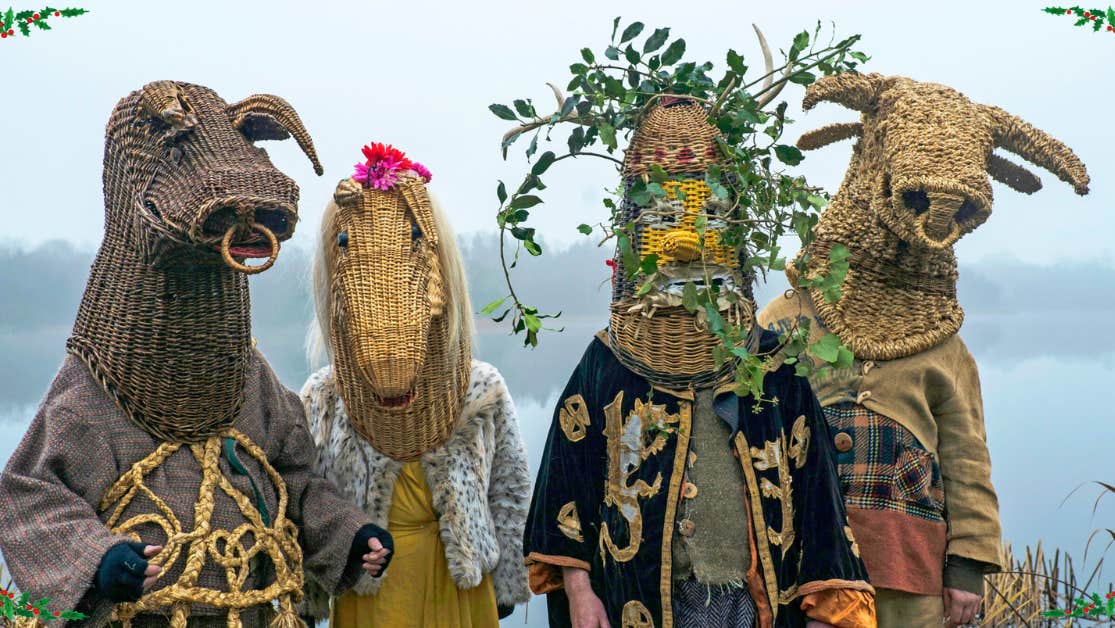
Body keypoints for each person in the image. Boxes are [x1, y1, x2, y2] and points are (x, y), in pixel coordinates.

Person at [0, 81, 391, 627]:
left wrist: (350, 535)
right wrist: (98, 560)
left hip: (248, 608)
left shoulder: (245, 378)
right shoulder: (97, 384)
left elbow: (297, 477)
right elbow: (27, 493)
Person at [523, 100, 876, 628]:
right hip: (641, 601)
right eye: (665, 215)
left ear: (735, 229)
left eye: (707, 214)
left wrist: (825, 611)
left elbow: (819, 498)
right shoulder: (607, 363)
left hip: (752, 604)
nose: (686, 241)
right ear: (636, 231)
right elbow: (563, 490)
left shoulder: (774, 365)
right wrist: (580, 592)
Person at [759, 72, 1091, 627]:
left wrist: (966, 569)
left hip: (910, 572)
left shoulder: (944, 351)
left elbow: (966, 459)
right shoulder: (786, 319)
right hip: (802, 562)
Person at [298, 142, 532, 627]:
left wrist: (508, 577)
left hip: (460, 587)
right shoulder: (325, 397)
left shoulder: (480, 388)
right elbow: (307, 496)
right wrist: (315, 586)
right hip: (372, 593)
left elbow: (510, 490)